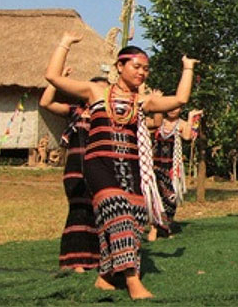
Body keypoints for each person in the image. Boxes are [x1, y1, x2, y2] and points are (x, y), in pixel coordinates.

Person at [45, 32, 197, 299]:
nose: (142, 73)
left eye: (146, 69)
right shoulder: (96, 91)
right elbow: (53, 78)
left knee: (135, 219)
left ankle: (105, 275)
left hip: (132, 166)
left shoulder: (142, 101)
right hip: (99, 163)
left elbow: (179, 101)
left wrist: (188, 68)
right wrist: (65, 44)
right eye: (137, 67)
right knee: (118, 213)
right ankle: (132, 279)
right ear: (120, 66)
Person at [39, 67, 107, 273]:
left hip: (101, 170)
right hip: (76, 170)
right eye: (97, 90)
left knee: (99, 213)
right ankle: (76, 261)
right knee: (79, 211)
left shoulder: (109, 116)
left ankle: (96, 259)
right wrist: (57, 81)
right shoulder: (75, 112)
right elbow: (46, 103)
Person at [148, 107, 202, 241]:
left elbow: (187, 137)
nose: (172, 111)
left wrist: (190, 118)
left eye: (176, 108)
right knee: (156, 197)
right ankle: (154, 228)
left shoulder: (182, 124)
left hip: (173, 167)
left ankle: (165, 227)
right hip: (155, 166)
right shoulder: (159, 122)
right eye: (170, 108)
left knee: (171, 199)